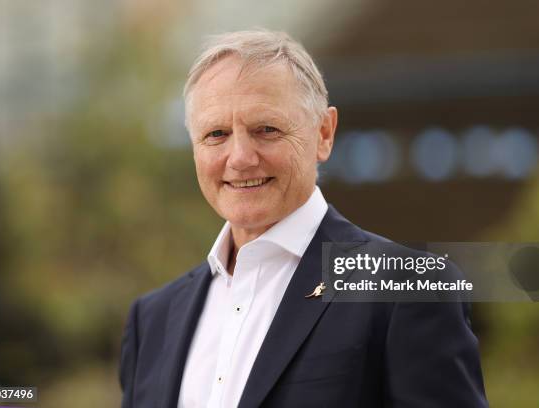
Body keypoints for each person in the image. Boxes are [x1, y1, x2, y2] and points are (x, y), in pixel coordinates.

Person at [119, 29, 488, 408]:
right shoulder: (152, 321)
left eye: (266, 129)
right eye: (217, 134)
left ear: (324, 134)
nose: (241, 157)